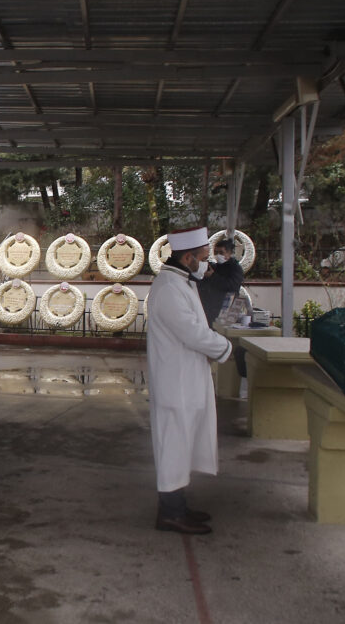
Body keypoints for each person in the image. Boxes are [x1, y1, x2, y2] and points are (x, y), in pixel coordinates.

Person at [145, 226, 232, 535]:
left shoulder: (181, 280)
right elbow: (191, 331)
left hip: (185, 378)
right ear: (187, 257)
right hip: (175, 383)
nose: (206, 263)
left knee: (182, 446)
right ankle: (169, 513)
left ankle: (178, 506)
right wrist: (224, 348)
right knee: (173, 447)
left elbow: (226, 276)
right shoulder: (169, 287)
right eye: (203, 258)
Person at [197, 238, 245, 327]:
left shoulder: (235, 268)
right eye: (216, 253)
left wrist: (213, 276)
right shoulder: (215, 267)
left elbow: (232, 286)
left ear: (229, 253)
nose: (218, 255)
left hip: (227, 310)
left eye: (221, 253)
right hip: (211, 309)